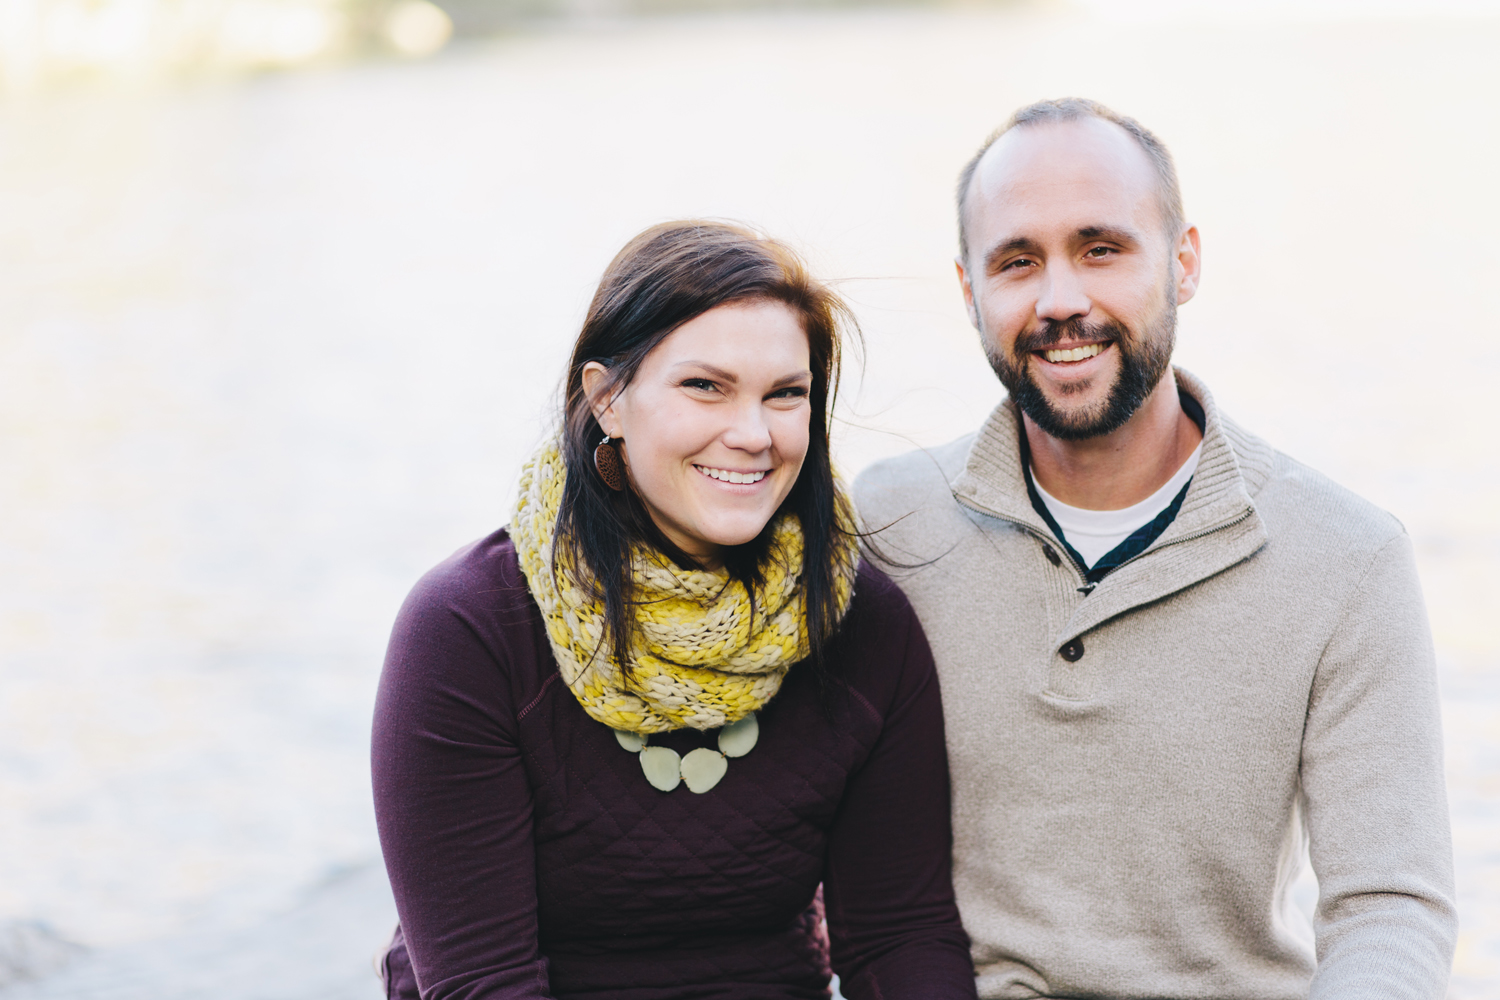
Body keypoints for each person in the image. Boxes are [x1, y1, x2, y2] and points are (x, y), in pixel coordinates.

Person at [855, 99, 1456, 1000]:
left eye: (1102, 249)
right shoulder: (890, 522)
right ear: (968, 289)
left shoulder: (1347, 558)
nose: (1061, 300)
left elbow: (1388, 907)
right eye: (1017, 262)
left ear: (1183, 262)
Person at [371, 221, 978, 1000]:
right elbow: (482, 981)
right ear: (608, 400)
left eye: (785, 395)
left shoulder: (860, 621)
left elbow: (900, 936)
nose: (753, 435)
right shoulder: (469, 631)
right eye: (705, 386)